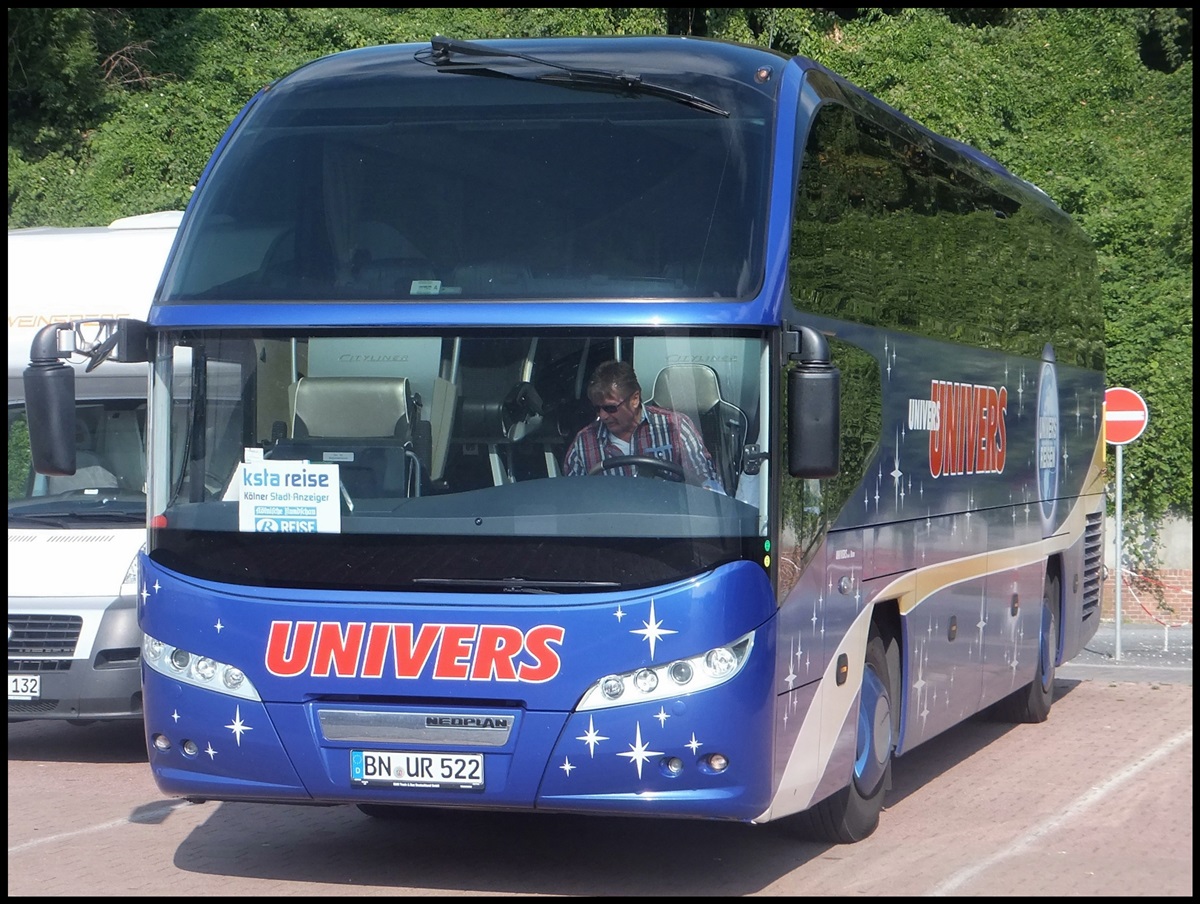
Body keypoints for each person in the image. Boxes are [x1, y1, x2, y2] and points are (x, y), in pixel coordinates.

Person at [562, 359, 725, 492]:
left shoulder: (676, 427)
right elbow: (573, 499)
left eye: (610, 408)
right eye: (597, 408)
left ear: (635, 399)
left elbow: (706, 482)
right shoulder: (584, 443)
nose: (602, 416)